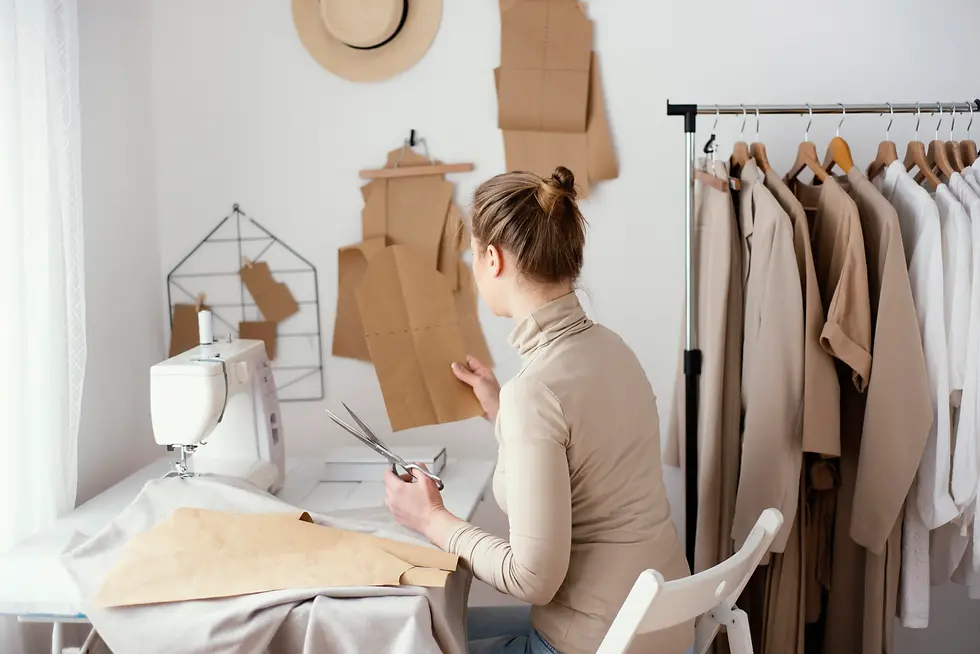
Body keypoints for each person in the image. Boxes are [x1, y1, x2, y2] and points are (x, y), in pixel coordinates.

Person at [384, 166, 693, 654]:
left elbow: (531, 579)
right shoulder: (612, 349)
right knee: (434, 625)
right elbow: (581, 449)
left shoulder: (535, 392)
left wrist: (430, 518)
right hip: (663, 627)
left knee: (408, 638)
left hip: (595, 642)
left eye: (472, 257)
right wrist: (499, 408)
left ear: (492, 259)